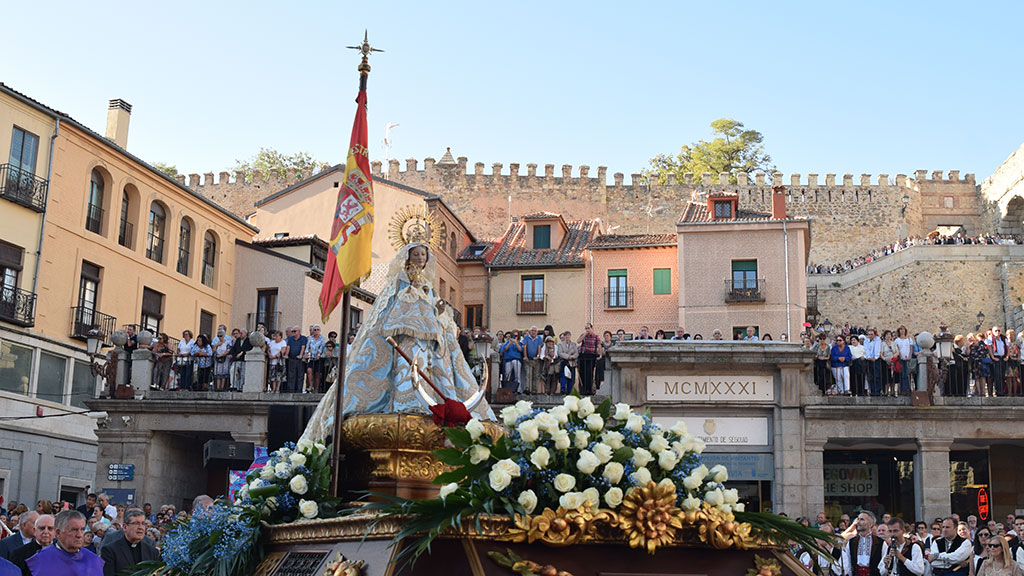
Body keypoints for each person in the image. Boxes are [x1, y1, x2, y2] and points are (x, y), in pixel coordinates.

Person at [299, 242, 493, 443]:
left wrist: (438, 309)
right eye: (416, 254)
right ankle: (404, 401)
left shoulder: (428, 282)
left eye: (423, 255)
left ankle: (444, 400)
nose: (420, 258)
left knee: (439, 368)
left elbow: (433, 306)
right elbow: (395, 303)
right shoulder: (401, 279)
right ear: (408, 257)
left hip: (431, 341)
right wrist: (414, 299)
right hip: (405, 335)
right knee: (403, 367)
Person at [26, 510, 103, 576]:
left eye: (82, 529)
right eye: (74, 530)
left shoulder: (94, 561)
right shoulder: (38, 562)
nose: (79, 535)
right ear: (58, 533)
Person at [100, 509, 158, 576]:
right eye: (136, 523)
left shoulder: (152, 552)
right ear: (125, 527)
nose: (141, 527)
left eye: (143, 524)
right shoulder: (110, 551)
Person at [834, 510, 884, 576]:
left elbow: (883, 564)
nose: (858, 522)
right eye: (858, 519)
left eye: (862, 519)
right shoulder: (851, 542)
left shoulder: (880, 542)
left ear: (870, 524)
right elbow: (848, 563)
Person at [576, 323, 603, 396]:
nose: (587, 330)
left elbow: (599, 345)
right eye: (586, 328)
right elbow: (578, 341)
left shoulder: (595, 336)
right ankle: (583, 389)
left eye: (588, 328)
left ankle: (589, 389)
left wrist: (600, 354)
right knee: (582, 373)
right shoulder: (583, 335)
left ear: (591, 328)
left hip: (591, 356)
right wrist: (584, 335)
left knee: (589, 373)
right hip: (583, 356)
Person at [284, 327, 307, 394]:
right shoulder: (291, 339)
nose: (293, 333)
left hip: (299, 359)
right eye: (292, 331)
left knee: (300, 375)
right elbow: (288, 347)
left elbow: (303, 347)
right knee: (291, 375)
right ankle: (291, 389)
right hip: (292, 358)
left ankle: (299, 390)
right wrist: (286, 354)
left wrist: (300, 355)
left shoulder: (303, 338)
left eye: (295, 331)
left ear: (299, 332)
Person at [521, 326, 543, 395]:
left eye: (535, 331)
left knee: (536, 375)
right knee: (528, 374)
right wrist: (525, 356)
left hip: (536, 360)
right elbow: (525, 346)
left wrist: (538, 356)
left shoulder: (539, 338)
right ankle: (528, 389)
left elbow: (539, 347)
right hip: (528, 359)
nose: (534, 332)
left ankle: (534, 390)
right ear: (530, 331)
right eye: (533, 331)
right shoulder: (526, 337)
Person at [304, 325, 326, 394]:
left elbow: (321, 347)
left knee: (317, 374)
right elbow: (308, 346)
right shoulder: (310, 338)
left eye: (317, 330)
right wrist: (306, 353)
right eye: (315, 330)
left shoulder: (322, 338)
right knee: (309, 370)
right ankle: (310, 386)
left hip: (318, 358)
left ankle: (316, 389)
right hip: (311, 357)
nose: (316, 331)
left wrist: (319, 354)